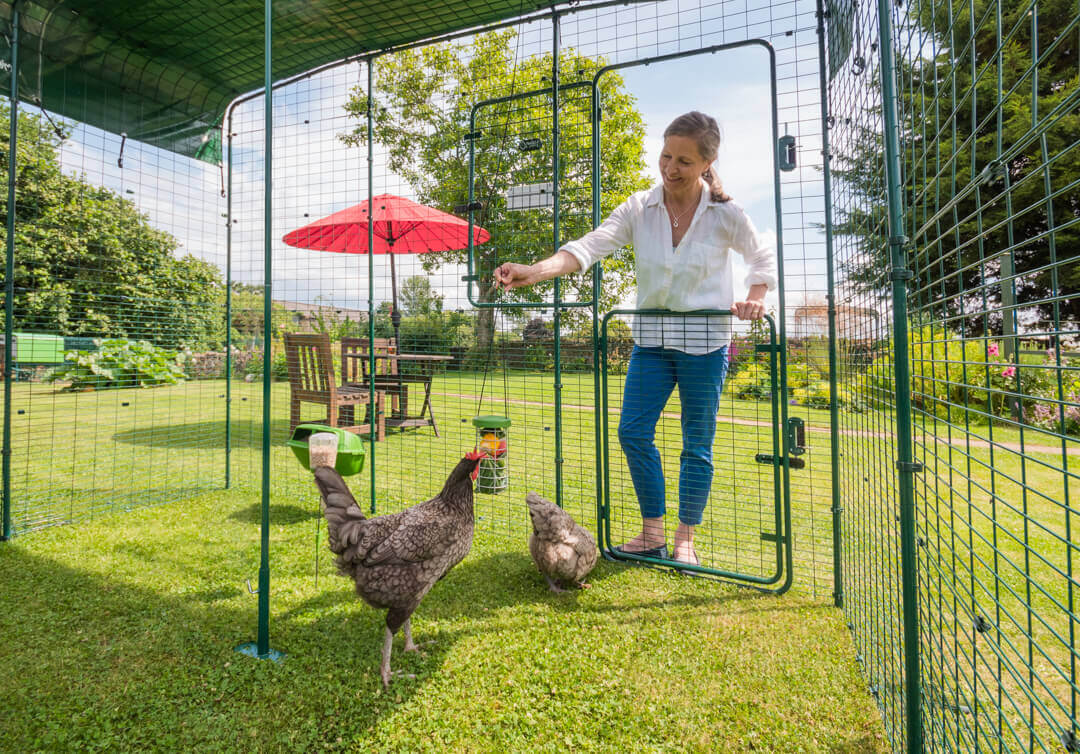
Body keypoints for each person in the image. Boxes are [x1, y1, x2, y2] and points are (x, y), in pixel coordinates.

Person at [494, 111, 776, 566]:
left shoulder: (726, 213)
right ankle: (652, 533)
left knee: (696, 443)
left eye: (684, 160)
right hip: (652, 341)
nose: (670, 167)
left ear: (708, 162)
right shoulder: (639, 207)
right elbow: (588, 246)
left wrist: (754, 297)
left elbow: (761, 255)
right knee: (632, 432)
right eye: (666, 155)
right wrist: (534, 272)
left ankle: (684, 538)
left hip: (706, 344)